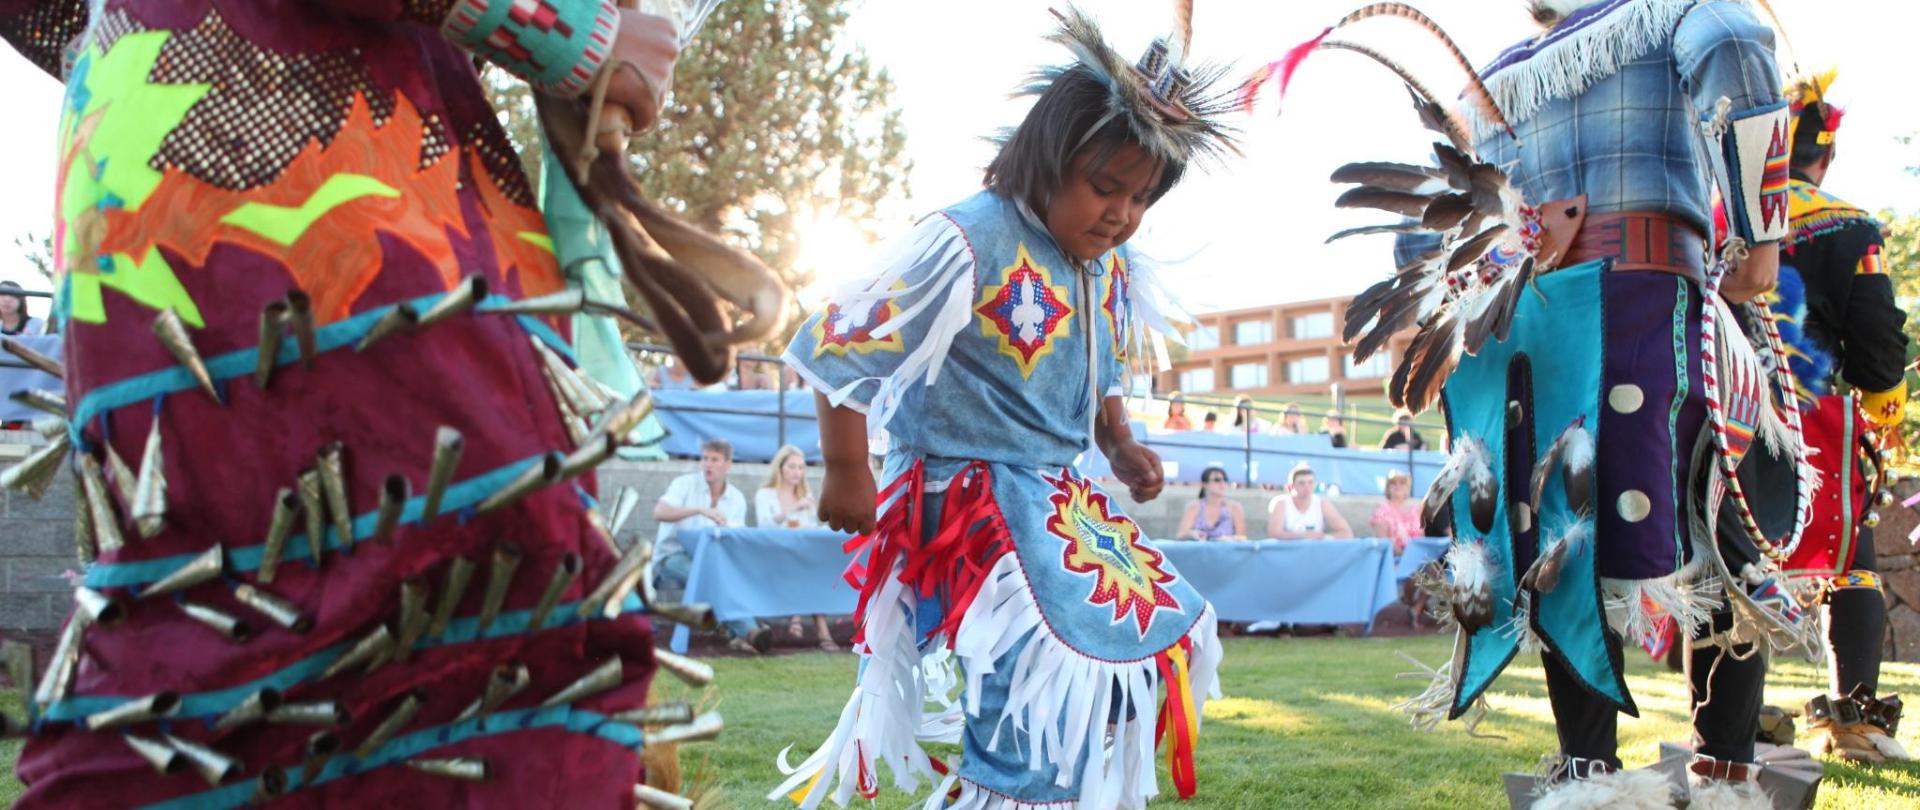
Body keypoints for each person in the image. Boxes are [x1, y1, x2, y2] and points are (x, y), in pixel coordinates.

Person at [1, 1, 689, 805]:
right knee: (491, 637)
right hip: (321, 211)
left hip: (152, 190)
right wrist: (569, 32)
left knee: (218, 652)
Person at [1269, 0, 1813, 805]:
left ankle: (1586, 770)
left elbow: (1431, 216)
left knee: (1561, 531)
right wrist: (1760, 242)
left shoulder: (1489, 81)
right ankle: (1726, 767)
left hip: (1530, 322)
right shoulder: (1672, 12)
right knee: (1716, 537)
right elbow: (1733, 41)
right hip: (1642, 303)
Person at [772, 7, 1232, 807]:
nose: (1122, 213)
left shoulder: (1110, 265)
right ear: (1049, 158)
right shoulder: (971, 237)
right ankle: (1012, 788)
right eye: (1105, 187)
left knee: (1158, 641)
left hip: (1055, 499)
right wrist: (846, 467)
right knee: (1033, 690)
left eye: (1142, 197)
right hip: (966, 497)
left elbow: (1099, 364)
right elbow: (836, 337)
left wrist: (1119, 442)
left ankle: (1027, 786)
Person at [1770, 69, 1909, 764]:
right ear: (1823, 155)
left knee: (1721, 565)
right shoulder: (1850, 225)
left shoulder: (1714, 217)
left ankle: (1726, 727)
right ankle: (1854, 726)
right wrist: (1885, 403)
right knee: (1850, 564)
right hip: (1813, 417)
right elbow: (1878, 338)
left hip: (1718, 410)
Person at [653, 438, 765, 654]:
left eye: (715, 460)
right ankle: (750, 630)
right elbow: (659, 512)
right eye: (704, 459)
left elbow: (736, 539)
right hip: (672, 557)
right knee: (709, 576)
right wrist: (699, 510)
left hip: (712, 560)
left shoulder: (736, 498)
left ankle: (737, 633)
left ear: (728, 465)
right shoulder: (683, 484)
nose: (708, 464)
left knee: (720, 574)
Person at [756, 444, 837, 651]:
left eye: (801, 467)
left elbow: (811, 528)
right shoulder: (765, 494)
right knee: (807, 568)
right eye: (792, 467)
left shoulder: (805, 496)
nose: (797, 472)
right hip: (773, 553)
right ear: (780, 468)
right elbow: (764, 525)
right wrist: (792, 509)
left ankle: (798, 618)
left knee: (813, 566)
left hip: (800, 554)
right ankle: (819, 629)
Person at [1266, 464, 1354, 540]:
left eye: (1310, 482)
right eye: (1301, 483)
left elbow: (1347, 533)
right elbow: (1274, 533)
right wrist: (1304, 535)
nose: (1307, 487)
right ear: (1291, 486)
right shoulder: (1281, 503)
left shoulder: (1322, 504)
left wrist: (1324, 537)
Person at [1177, 466, 1246, 540]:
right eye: (1217, 480)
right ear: (1204, 484)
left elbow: (1242, 537)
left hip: (1226, 547)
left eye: (1225, 480)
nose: (1222, 483)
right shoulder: (1194, 507)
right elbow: (1181, 534)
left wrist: (1227, 539)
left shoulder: (1234, 508)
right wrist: (1192, 534)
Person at [1370, 469, 1422, 553]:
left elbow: (1423, 536)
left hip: (1419, 555)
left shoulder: (1415, 510)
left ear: (1407, 488)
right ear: (1387, 488)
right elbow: (1383, 543)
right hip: (1395, 557)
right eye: (1393, 483)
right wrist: (1405, 555)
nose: (1398, 485)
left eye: (1402, 482)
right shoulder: (1382, 511)